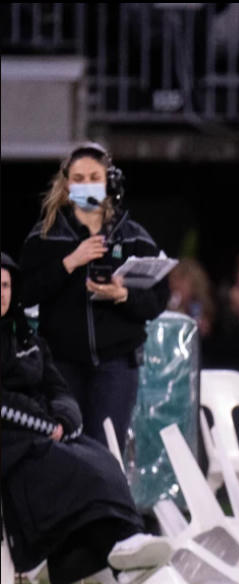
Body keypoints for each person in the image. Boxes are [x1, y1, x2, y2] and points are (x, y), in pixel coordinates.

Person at [1, 252, 172, 584]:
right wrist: (47, 426)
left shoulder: (26, 339)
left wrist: (65, 419)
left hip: (44, 433)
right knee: (67, 465)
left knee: (100, 457)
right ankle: (117, 548)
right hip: (11, 441)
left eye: (5, 285)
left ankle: (121, 549)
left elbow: (58, 389)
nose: (1, 293)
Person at [19, 143, 169, 455]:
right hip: (61, 364)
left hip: (116, 363)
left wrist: (123, 295)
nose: (86, 185)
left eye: (94, 177)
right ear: (67, 184)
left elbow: (157, 299)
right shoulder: (45, 236)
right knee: (66, 452)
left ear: (109, 182)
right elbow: (24, 293)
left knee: (106, 453)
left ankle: (105, 506)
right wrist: (68, 263)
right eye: (78, 178)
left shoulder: (133, 236)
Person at [168, 258, 216, 338]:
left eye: (181, 279)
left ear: (195, 284)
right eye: (173, 278)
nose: (175, 284)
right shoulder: (166, 306)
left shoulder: (201, 308)